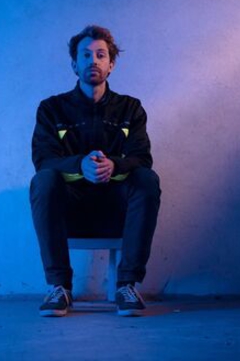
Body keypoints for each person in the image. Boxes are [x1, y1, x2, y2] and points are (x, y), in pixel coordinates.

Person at [29, 25, 161, 317]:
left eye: (101, 55)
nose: (93, 61)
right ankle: (60, 288)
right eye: (85, 55)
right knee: (43, 179)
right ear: (74, 64)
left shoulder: (130, 108)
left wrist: (114, 165)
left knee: (146, 179)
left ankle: (127, 286)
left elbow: (141, 157)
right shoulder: (51, 109)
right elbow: (43, 159)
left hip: (118, 208)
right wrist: (80, 165)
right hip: (70, 208)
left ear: (111, 64)